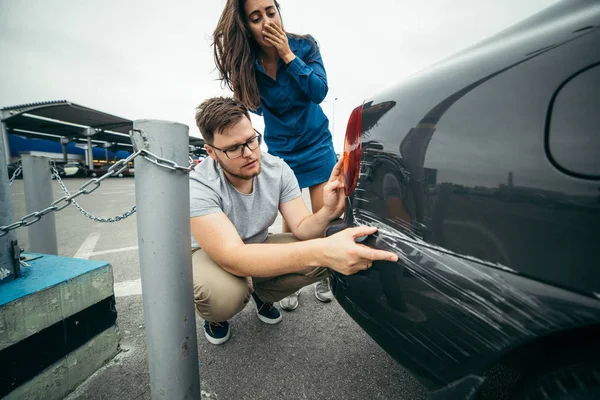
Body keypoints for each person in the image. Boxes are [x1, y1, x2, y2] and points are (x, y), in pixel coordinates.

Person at [190, 97, 398, 345]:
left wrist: (328, 211)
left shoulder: (276, 168)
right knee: (223, 296)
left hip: (257, 244)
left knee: (326, 251)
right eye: (234, 148)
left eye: (251, 140)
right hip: (212, 254)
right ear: (211, 152)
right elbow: (233, 257)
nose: (249, 154)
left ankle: (262, 294)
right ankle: (216, 317)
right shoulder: (199, 184)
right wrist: (322, 251)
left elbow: (302, 229)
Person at [212, 0, 338, 310]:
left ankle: (324, 273)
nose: (267, 21)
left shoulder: (305, 46)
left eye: (271, 11)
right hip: (282, 150)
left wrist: (287, 55)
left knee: (322, 216)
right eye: (256, 18)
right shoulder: (248, 64)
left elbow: (318, 91)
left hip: (316, 142)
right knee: (292, 222)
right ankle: (290, 274)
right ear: (247, 28)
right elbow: (253, 105)